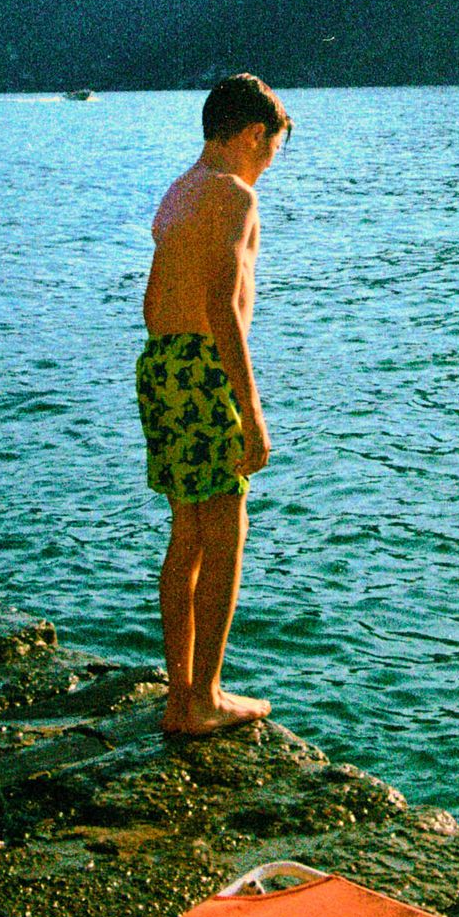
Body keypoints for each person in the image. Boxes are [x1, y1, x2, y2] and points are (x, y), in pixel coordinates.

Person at [137, 73, 292, 735]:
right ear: (254, 134)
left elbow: (153, 302)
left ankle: (181, 695)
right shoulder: (233, 194)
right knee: (225, 532)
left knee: (187, 534)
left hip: (162, 363)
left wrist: (173, 369)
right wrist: (250, 411)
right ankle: (205, 697)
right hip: (203, 368)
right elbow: (223, 305)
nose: (272, 162)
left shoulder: (179, 191)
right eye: (274, 147)